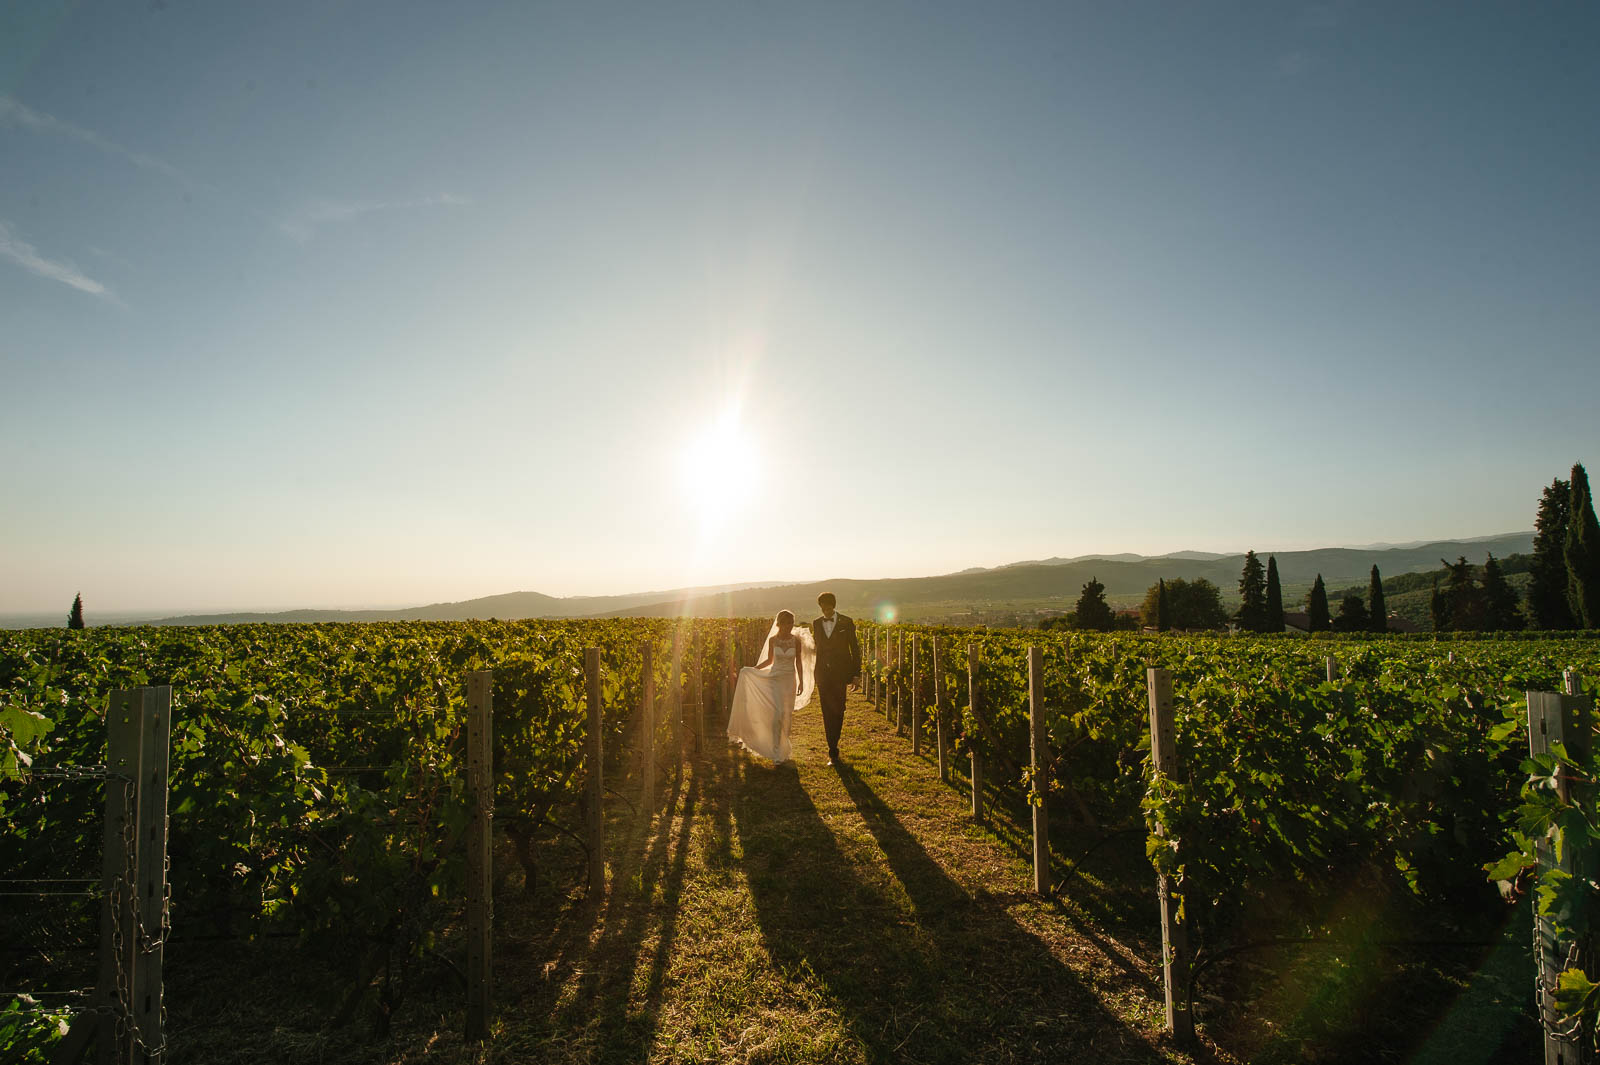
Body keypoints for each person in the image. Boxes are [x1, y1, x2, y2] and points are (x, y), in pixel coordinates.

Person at [726, 610, 815, 763]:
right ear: (779, 624)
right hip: (775, 679)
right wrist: (753, 670)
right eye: (786, 623)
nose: (789, 626)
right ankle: (775, 750)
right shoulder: (773, 640)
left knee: (787, 714)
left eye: (791, 623)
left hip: (789, 680)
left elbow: (798, 662)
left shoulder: (796, 641)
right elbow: (769, 660)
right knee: (777, 714)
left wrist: (801, 681)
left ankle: (784, 748)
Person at [811, 592, 860, 766]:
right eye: (823, 606)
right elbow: (816, 648)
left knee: (839, 710)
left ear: (834, 605)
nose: (826, 609)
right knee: (826, 711)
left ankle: (835, 742)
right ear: (820, 606)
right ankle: (833, 751)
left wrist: (856, 674)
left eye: (829, 605)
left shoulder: (847, 622)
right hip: (823, 675)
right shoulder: (816, 623)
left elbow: (855, 648)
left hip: (841, 674)